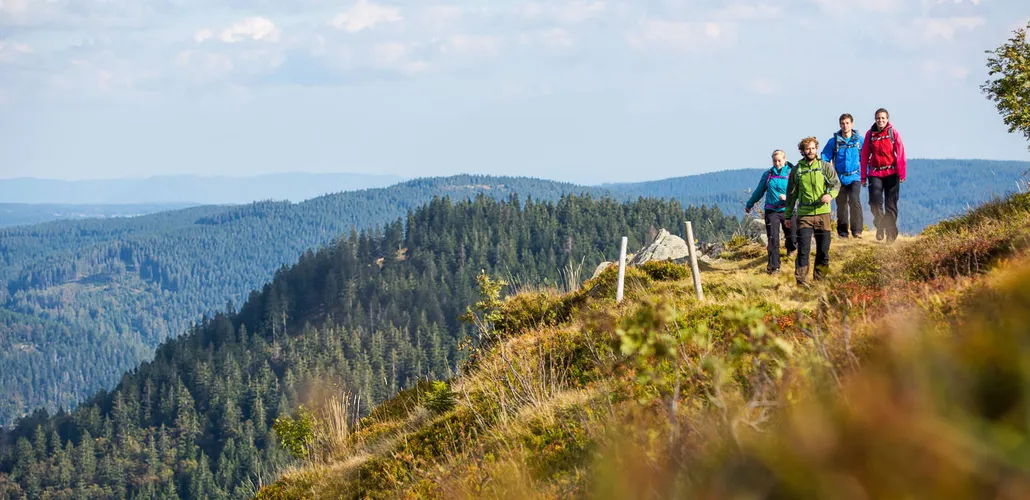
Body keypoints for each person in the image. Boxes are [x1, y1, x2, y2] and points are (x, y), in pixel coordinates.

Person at [785, 137, 841, 286]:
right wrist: (788, 215)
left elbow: (836, 184)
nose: (811, 151)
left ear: (816, 149)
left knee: (823, 250)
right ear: (802, 151)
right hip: (804, 215)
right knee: (803, 250)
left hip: (823, 214)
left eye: (813, 148)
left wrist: (830, 195)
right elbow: (791, 194)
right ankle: (802, 283)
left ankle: (820, 281)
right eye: (807, 149)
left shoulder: (824, 166)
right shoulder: (797, 170)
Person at [744, 150, 798, 274]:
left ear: (785, 160)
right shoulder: (768, 174)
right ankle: (774, 267)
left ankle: (791, 249)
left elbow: (799, 191)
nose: (777, 163)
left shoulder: (792, 173)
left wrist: (788, 198)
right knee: (773, 238)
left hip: (788, 210)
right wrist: (749, 204)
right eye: (775, 161)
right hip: (771, 210)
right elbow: (759, 191)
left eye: (779, 160)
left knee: (792, 235)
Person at [859, 108, 907, 243]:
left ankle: (891, 236)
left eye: (883, 118)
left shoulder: (893, 133)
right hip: (875, 172)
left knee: (891, 204)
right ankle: (880, 225)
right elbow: (864, 157)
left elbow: (901, 153)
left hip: (892, 172)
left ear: (887, 119)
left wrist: (902, 172)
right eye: (878, 118)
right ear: (875, 119)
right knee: (874, 202)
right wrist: (863, 177)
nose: (880, 120)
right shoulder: (870, 134)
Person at [821, 113, 864, 238]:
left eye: (847, 123)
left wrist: (867, 174)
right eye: (843, 123)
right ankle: (843, 232)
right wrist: (827, 175)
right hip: (839, 178)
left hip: (855, 176)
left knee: (855, 201)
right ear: (840, 125)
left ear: (852, 124)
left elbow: (866, 157)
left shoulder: (859, 140)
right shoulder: (834, 141)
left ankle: (857, 231)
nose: (845, 126)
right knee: (841, 205)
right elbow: (825, 158)